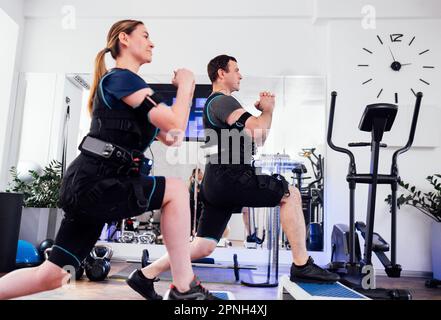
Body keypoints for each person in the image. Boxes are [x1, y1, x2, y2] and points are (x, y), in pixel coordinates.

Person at [0, 20, 217, 300]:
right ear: (124, 39)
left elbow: (173, 136)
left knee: (53, 275)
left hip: (96, 185)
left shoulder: (133, 89)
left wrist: (181, 96)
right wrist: (187, 84)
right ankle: (184, 287)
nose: (152, 43)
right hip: (96, 182)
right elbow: (176, 122)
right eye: (146, 36)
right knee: (175, 190)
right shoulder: (121, 79)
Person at [136, 55, 339, 298]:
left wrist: (267, 111)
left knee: (204, 245)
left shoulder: (222, 104)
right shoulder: (222, 101)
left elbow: (260, 138)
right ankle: (302, 264)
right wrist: (268, 109)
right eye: (236, 70)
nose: (240, 75)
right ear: (222, 73)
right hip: (231, 177)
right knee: (290, 193)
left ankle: (144, 275)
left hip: (217, 181)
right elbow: (256, 131)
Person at [189, 168, 204, 236]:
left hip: (198, 205)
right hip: (194, 206)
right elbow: (198, 193)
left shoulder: (198, 183)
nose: (202, 174)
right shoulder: (194, 183)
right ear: (196, 174)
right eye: (200, 173)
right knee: (194, 221)